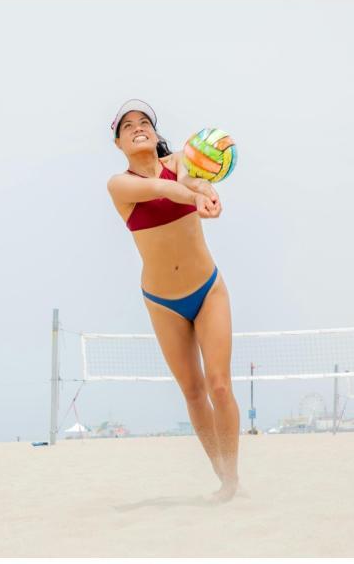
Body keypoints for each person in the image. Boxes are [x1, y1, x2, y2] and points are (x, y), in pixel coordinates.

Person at [106, 99, 241, 502]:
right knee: (194, 391)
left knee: (219, 385)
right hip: (163, 302)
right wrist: (193, 195)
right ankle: (220, 471)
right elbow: (162, 189)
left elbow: (193, 180)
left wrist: (207, 192)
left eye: (144, 121)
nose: (137, 127)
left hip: (208, 289)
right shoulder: (120, 185)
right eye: (127, 126)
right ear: (118, 143)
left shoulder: (183, 159)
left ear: (156, 132)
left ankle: (232, 478)